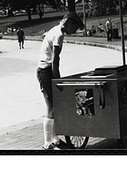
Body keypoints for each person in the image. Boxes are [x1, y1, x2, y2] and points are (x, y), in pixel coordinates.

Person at [37, 12, 84, 150]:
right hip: (45, 71)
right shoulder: (58, 35)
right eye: (74, 28)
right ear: (69, 23)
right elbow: (55, 61)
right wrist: (58, 81)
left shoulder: (56, 30)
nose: (74, 31)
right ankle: (47, 143)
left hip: (46, 71)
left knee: (55, 106)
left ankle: (55, 139)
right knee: (51, 107)